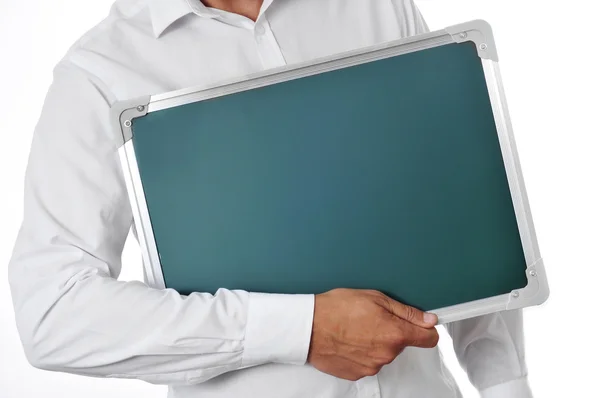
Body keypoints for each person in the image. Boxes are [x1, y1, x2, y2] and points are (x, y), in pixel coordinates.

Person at [8, 0, 534, 397]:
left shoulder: (375, 5)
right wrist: (300, 330)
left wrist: (507, 387)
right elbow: (53, 312)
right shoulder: (101, 72)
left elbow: (459, 210)